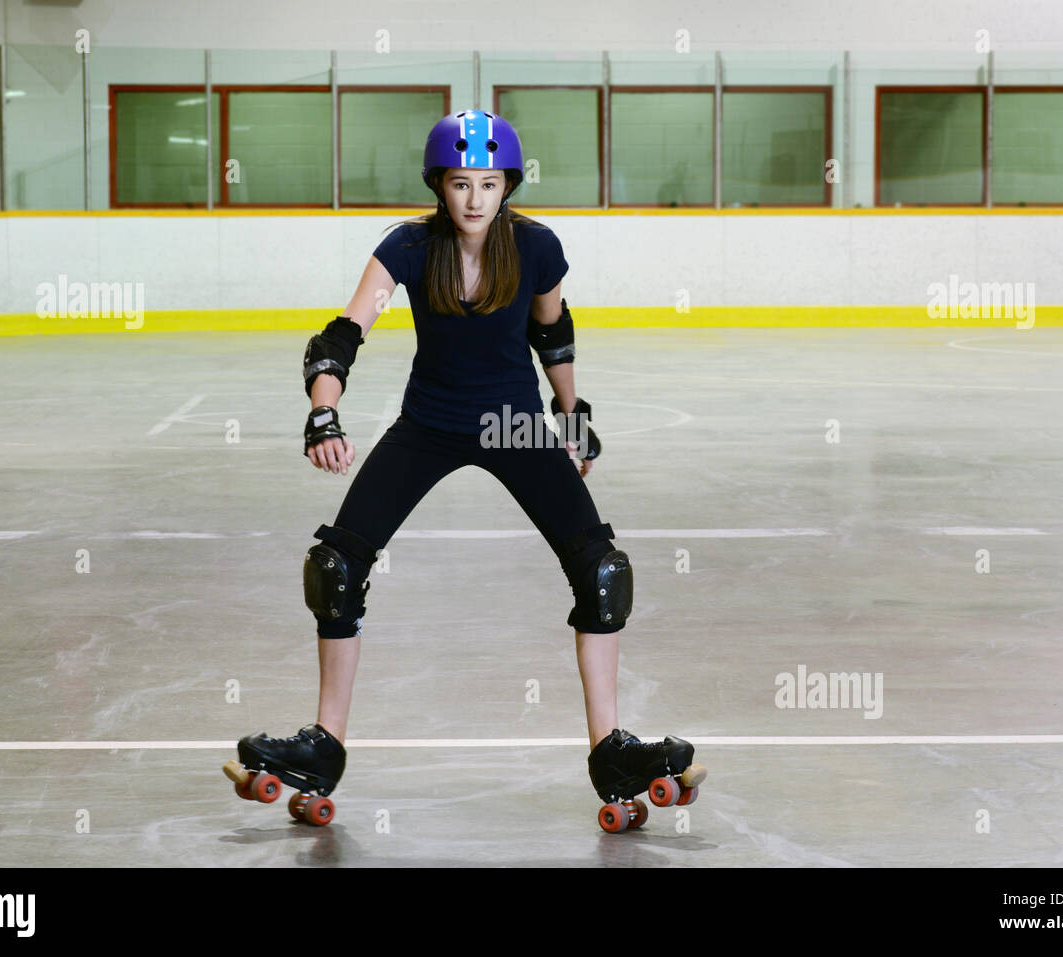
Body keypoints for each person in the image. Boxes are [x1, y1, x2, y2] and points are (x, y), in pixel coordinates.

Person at [224, 110, 705, 833]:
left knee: (603, 572)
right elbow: (342, 335)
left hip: (514, 426)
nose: (475, 199)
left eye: (488, 182)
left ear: (508, 183)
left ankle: (612, 753)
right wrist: (325, 411)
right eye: (459, 183)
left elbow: (553, 329)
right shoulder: (410, 247)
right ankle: (323, 748)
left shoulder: (537, 247)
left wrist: (571, 415)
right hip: (429, 424)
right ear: (439, 187)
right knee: (336, 566)